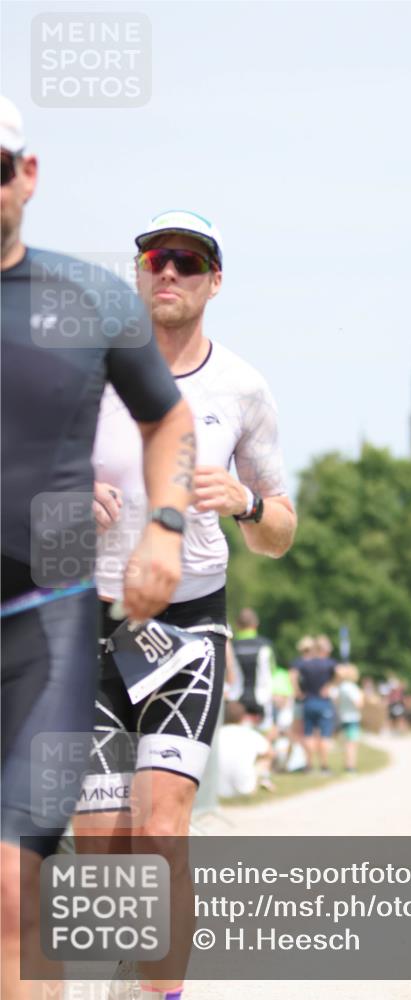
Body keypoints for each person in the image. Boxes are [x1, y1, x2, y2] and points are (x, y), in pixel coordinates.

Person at [72, 209, 296, 1000]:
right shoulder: (87, 373)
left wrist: (244, 501)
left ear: (214, 281)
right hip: (92, 626)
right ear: (139, 274)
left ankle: (160, 992)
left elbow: (281, 529)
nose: (169, 272)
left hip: (191, 628)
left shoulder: (242, 387)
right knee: (100, 848)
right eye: (155, 259)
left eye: (188, 261)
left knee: (162, 833)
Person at [0, 98, 195, 1000]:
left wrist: (164, 524)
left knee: (13, 888)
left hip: (41, 630)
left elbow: (168, 416)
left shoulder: (89, 300)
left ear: (26, 176)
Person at [290, 634, 338, 774]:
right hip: (323, 702)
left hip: (308, 702)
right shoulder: (329, 663)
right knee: (324, 735)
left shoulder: (305, 663)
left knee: (308, 734)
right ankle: (324, 766)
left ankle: (309, 766)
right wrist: (330, 685)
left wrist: (297, 691)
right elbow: (342, 673)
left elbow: (292, 675)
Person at [217, 701, 275, 797]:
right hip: (245, 790)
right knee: (264, 760)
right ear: (243, 717)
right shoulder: (250, 733)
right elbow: (270, 753)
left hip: (217, 790)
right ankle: (264, 780)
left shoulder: (216, 735)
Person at [231, 607, 276, 729]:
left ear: (237, 625)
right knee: (262, 738)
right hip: (262, 698)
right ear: (256, 624)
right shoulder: (266, 645)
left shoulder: (231, 646)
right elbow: (272, 670)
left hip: (236, 699)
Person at [334, 664, 364, 773]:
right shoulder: (351, 687)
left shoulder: (341, 687)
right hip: (352, 718)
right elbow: (359, 704)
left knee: (347, 743)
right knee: (352, 743)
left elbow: (336, 701)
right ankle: (350, 766)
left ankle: (348, 764)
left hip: (343, 716)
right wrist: (361, 696)